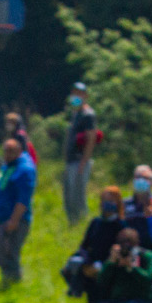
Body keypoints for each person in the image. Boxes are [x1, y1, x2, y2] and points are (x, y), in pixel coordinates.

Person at [78, 227, 152, 303]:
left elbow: (149, 280)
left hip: (141, 301)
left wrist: (133, 268)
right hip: (117, 301)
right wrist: (111, 262)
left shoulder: (146, 256)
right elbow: (101, 281)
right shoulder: (115, 258)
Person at [0, 137, 36, 285]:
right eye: (5, 151)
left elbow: (23, 199)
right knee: (0, 250)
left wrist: (14, 220)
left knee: (10, 252)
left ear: (19, 151)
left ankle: (12, 283)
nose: (7, 154)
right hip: (3, 218)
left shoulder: (25, 170)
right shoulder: (9, 166)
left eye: (11, 151)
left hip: (16, 220)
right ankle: (8, 280)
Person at [61, 84, 98, 223]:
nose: (76, 96)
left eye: (79, 93)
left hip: (79, 161)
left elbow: (91, 139)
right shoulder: (75, 114)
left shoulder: (88, 115)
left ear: (85, 95)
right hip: (71, 161)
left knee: (77, 197)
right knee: (69, 196)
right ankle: (72, 223)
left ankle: (81, 224)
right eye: (74, 93)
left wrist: (84, 162)